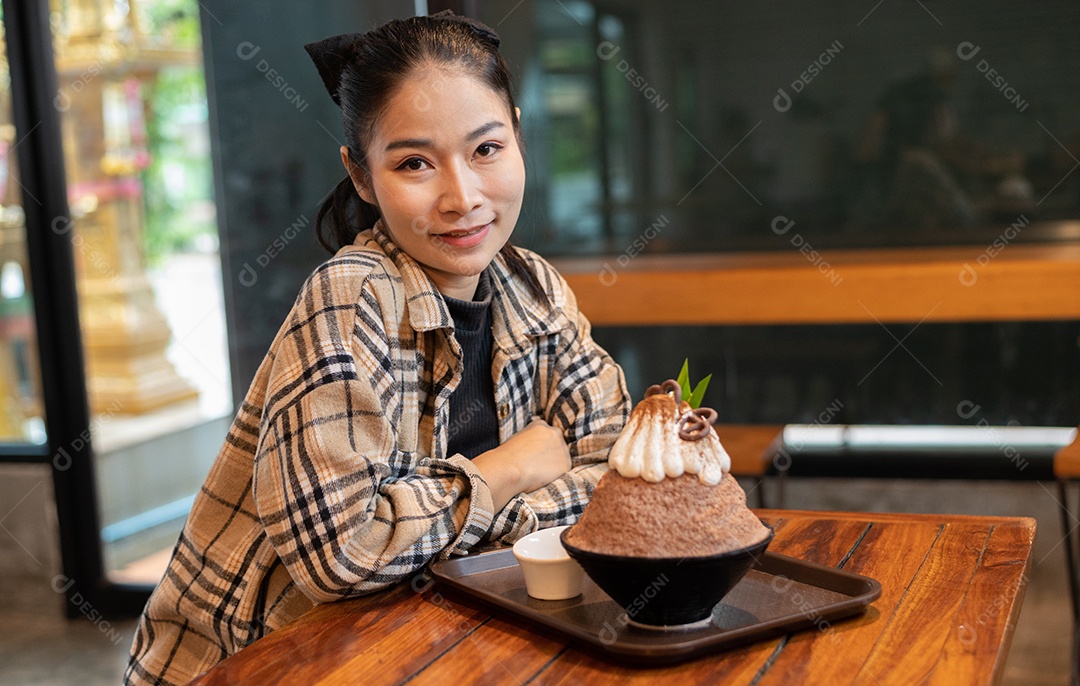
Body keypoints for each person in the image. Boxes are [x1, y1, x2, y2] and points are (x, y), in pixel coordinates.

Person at [124, 12, 629, 685]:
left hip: (425, 646)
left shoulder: (533, 285)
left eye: (486, 149)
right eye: (414, 162)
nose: (462, 197)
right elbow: (342, 552)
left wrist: (428, 522)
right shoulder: (351, 297)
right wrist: (511, 468)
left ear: (518, 136)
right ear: (362, 177)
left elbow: (618, 479)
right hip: (260, 666)